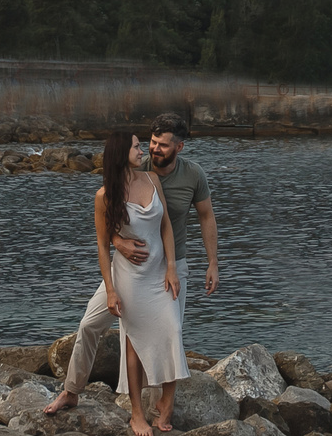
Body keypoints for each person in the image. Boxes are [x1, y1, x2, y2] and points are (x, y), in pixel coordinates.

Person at [45, 116, 221, 417]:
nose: (153, 149)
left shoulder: (192, 175)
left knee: (168, 334)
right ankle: (71, 391)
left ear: (179, 146)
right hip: (127, 268)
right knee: (90, 324)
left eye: (162, 145)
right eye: (150, 143)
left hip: (170, 265)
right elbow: (108, 212)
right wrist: (118, 241)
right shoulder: (138, 165)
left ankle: (156, 410)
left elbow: (206, 217)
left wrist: (213, 263)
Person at [94, 128, 184, 436]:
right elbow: (103, 245)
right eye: (135, 147)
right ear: (121, 153)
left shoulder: (152, 180)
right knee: (132, 346)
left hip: (158, 274)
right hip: (130, 279)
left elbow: (166, 227)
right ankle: (136, 414)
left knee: (172, 329)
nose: (142, 150)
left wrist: (171, 268)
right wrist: (110, 289)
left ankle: (166, 402)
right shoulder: (105, 196)